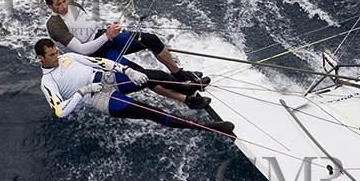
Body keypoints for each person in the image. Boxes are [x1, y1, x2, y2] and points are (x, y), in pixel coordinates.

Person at [35, 40, 233, 134]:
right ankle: (209, 128)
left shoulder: (67, 57)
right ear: (41, 58)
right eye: (52, 55)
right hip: (98, 97)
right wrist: (83, 91)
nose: (57, 56)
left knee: (152, 76)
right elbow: (60, 111)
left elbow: (100, 62)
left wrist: (127, 70)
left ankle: (188, 89)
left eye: (56, 52)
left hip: (106, 78)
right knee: (150, 111)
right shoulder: (48, 83)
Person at [41, 0, 202, 82]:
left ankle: (179, 74)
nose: (63, 6)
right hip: (95, 55)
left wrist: (110, 29)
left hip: (104, 37)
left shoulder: (73, 5)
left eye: (63, 1)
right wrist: (107, 36)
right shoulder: (55, 25)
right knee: (140, 74)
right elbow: (83, 50)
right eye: (58, 5)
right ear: (50, 6)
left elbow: (91, 26)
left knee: (151, 39)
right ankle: (184, 94)